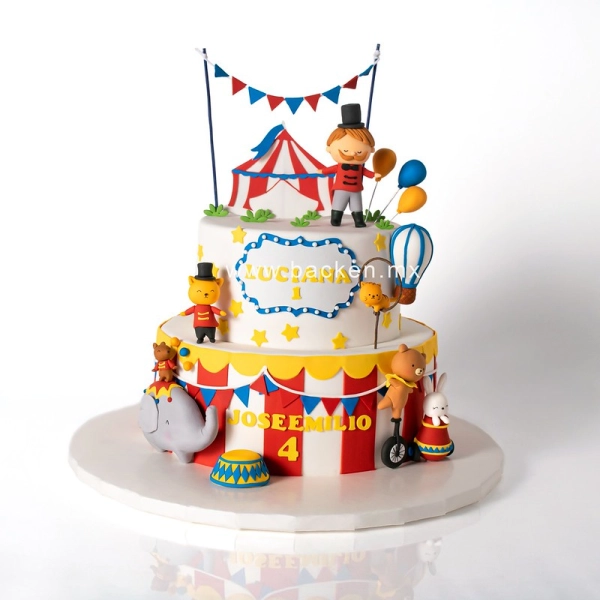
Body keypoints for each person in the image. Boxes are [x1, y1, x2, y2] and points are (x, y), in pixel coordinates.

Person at [319, 103, 381, 227]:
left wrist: (375, 174)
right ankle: (335, 219)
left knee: (357, 206)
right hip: (341, 189)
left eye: (359, 151)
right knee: (338, 204)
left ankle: (359, 221)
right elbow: (330, 169)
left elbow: (366, 172)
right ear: (329, 149)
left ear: (371, 149)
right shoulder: (339, 166)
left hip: (356, 190)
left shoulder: (360, 167)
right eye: (346, 150)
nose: (353, 153)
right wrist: (321, 171)